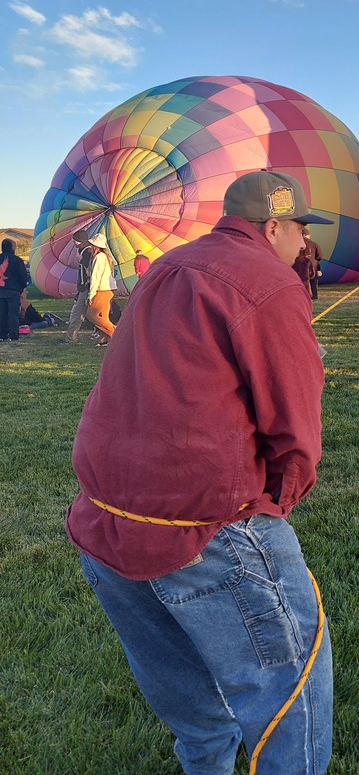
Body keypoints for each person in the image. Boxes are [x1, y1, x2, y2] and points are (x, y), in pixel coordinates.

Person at [66, 170, 334, 775]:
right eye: (299, 229)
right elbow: (294, 427)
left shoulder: (167, 265)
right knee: (291, 698)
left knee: (192, 706)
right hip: (210, 526)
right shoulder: (270, 279)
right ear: (274, 226)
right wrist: (275, 503)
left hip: (104, 521)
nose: (303, 243)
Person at [86, 232, 115, 346]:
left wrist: (91, 294)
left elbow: (95, 277)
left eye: (93, 245)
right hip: (109, 289)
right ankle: (104, 339)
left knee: (91, 315)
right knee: (103, 316)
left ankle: (116, 334)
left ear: (96, 246)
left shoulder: (99, 257)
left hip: (101, 289)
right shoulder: (106, 257)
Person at [65, 230, 94, 344]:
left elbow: (87, 272)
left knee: (79, 313)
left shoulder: (87, 252)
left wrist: (85, 285)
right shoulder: (84, 251)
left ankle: (71, 337)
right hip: (84, 286)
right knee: (84, 313)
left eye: (75, 240)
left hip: (85, 287)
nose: (73, 243)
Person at [0, 237, 28, 342]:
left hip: (1, 291)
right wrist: (21, 288)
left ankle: (2, 335)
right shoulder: (17, 260)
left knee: (2, 314)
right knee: (13, 314)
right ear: (12, 248)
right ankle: (13, 336)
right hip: (13, 291)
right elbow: (23, 277)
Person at [301, 228, 323, 300]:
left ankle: (303, 297)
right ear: (308, 235)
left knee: (302, 283)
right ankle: (313, 297)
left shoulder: (298, 244)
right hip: (312, 267)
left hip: (300, 267)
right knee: (313, 283)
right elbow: (320, 256)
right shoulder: (314, 244)